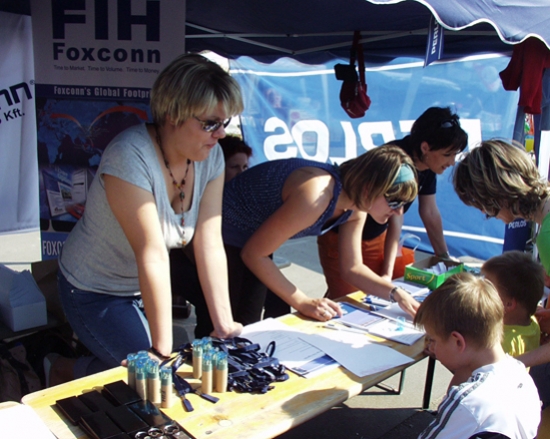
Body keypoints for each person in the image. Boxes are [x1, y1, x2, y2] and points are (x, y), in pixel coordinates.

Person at [52, 54, 243, 385]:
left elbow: (209, 243)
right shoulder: (129, 155)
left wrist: (223, 323)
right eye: (210, 123)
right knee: (153, 379)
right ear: (172, 114)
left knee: (160, 375)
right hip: (92, 289)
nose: (221, 134)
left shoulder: (210, 158)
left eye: (224, 123)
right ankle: (60, 367)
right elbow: (151, 253)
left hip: (138, 285)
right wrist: (161, 349)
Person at [222, 143, 421, 327]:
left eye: (404, 204)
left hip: (252, 236)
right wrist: (303, 302)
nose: (398, 211)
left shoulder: (356, 206)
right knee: (236, 322)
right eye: (395, 201)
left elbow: (353, 268)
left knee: (270, 311)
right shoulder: (316, 195)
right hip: (223, 229)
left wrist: (396, 294)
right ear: (370, 188)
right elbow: (254, 254)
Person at [318, 107, 468, 299]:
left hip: (376, 237)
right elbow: (395, 218)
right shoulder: (396, 164)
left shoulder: (427, 164)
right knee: (349, 299)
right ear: (425, 147)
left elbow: (428, 212)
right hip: (341, 238)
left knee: (373, 292)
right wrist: (387, 277)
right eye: (448, 155)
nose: (452, 162)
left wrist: (444, 258)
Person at [415, 273, 541, 439]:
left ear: (458, 341)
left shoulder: (467, 403)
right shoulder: (522, 376)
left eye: (433, 340)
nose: (431, 347)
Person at [481, 251, 544, 357]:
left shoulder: (501, 343)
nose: (480, 291)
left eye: (487, 288)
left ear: (509, 304)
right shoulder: (532, 321)